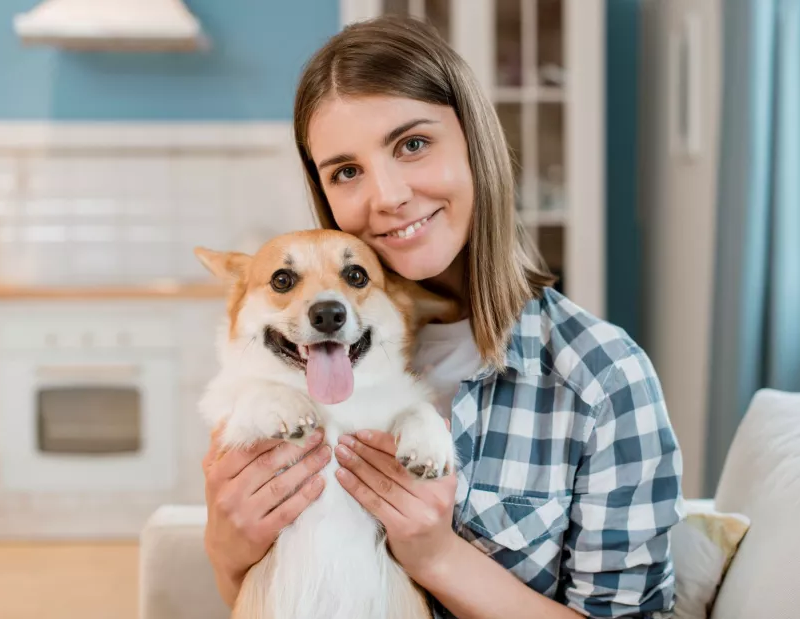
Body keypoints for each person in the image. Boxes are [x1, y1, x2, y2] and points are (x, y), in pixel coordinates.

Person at [200, 14, 684, 619]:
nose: (388, 195)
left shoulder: (602, 380)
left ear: (475, 144)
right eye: (346, 171)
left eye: (413, 145)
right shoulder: (297, 363)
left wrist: (437, 557)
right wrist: (226, 550)